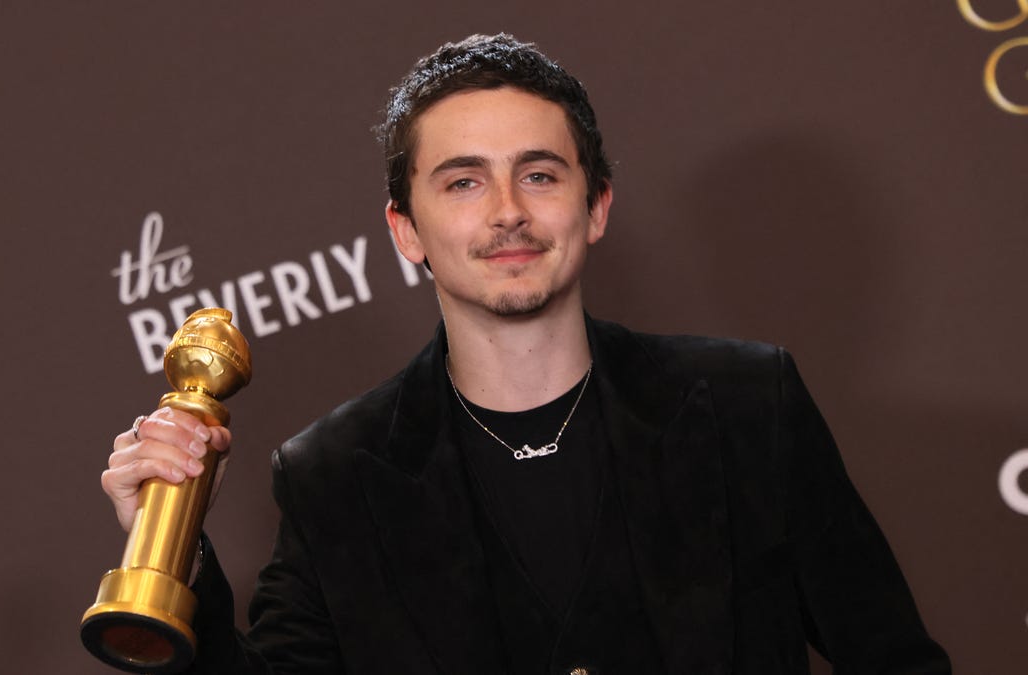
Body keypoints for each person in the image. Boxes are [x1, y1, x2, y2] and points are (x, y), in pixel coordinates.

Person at [104, 34, 950, 674]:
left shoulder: (745, 405)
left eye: (540, 174)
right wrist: (173, 551)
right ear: (406, 230)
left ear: (597, 205)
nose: (508, 211)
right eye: (464, 181)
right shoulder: (334, 475)